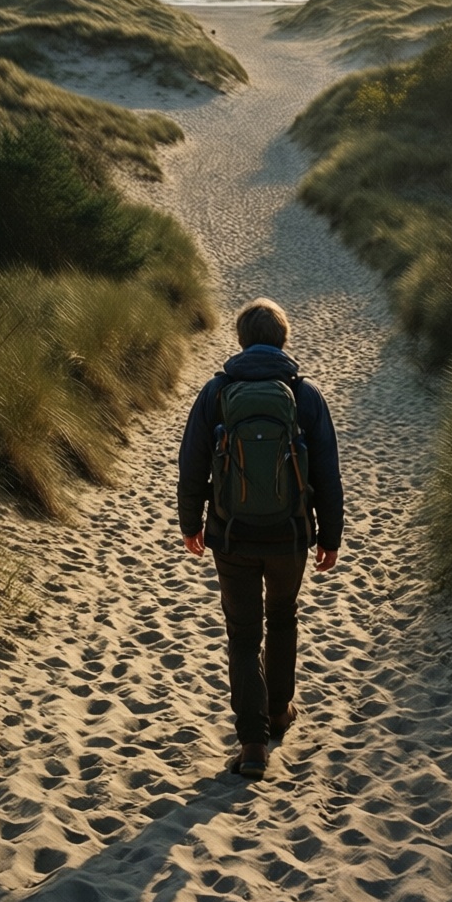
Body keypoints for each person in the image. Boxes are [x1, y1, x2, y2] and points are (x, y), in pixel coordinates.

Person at [177, 297, 344, 780]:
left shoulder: (216, 392)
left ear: (242, 340)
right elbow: (328, 474)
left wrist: (192, 524)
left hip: (232, 534)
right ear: (283, 338)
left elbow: (191, 465)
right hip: (290, 534)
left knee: (243, 634)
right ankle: (277, 712)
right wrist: (329, 535)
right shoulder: (304, 394)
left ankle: (252, 745)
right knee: (284, 618)